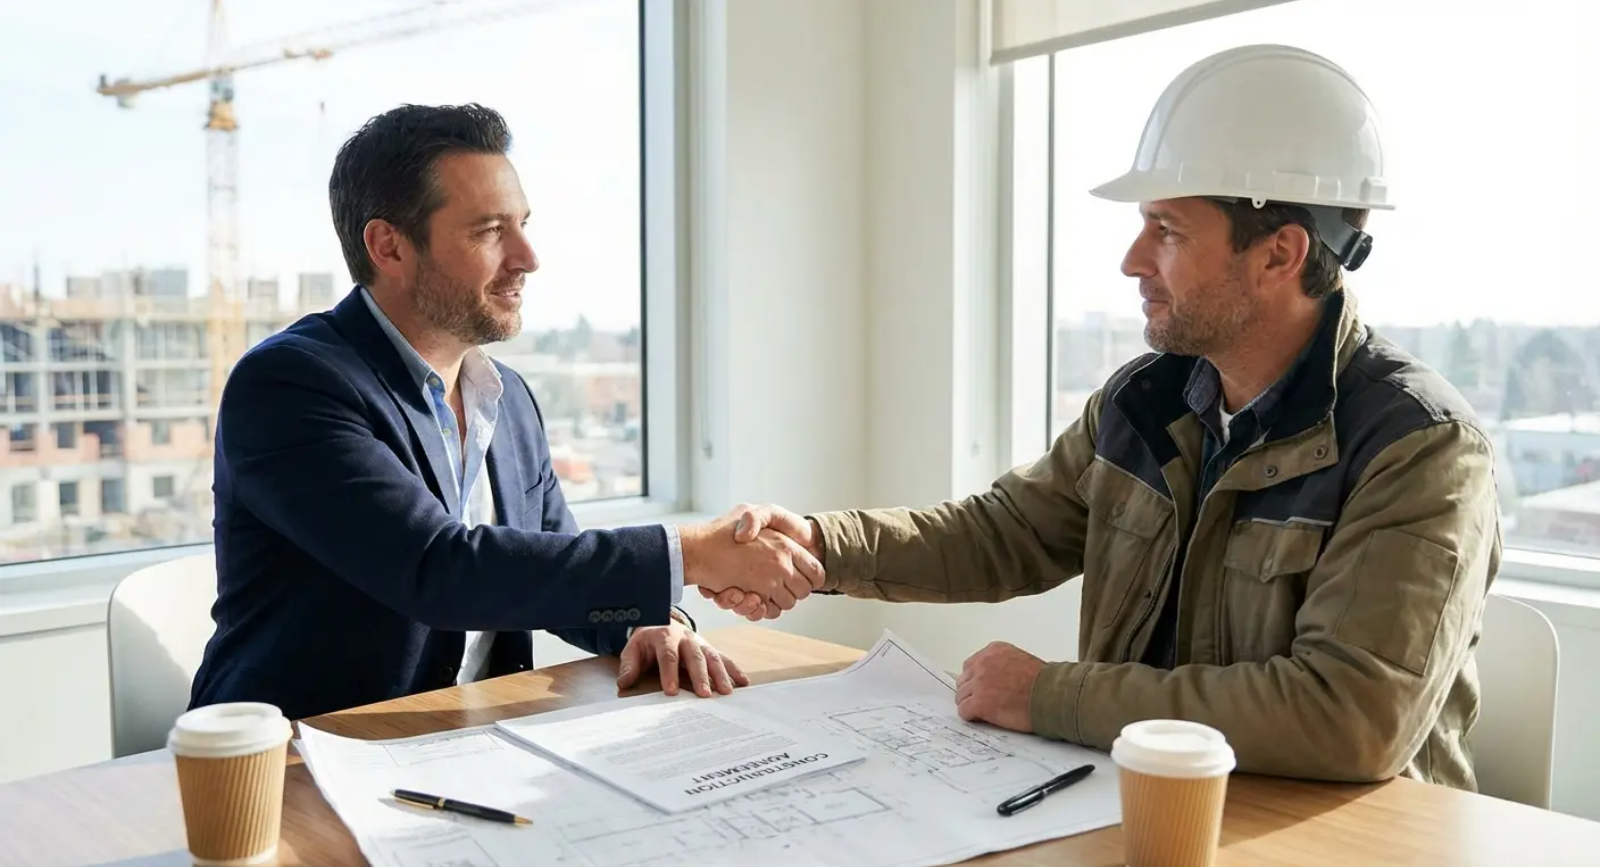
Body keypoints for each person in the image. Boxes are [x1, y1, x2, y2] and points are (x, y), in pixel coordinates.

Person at [718, 45, 1501, 790]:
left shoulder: (1419, 448)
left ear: (1279, 254)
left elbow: (1349, 715)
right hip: (1147, 807)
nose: (1133, 259)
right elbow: (1004, 534)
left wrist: (1050, 695)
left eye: (1167, 229)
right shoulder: (1147, 400)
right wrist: (820, 546)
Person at [189, 103, 820, 721]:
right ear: (388, 246)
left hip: (468, 742)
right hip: (299, 759)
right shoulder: (290, 385)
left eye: (522, 224)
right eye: (490, 231)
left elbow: (549, 564)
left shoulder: (506, 398)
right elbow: (440, 571)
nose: (527, 256)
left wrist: (654, 622)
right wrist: (693, 551)